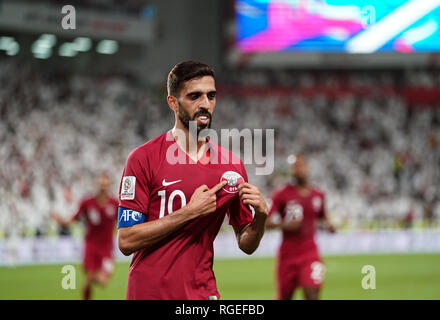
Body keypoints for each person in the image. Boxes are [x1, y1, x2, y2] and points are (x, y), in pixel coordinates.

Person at [117, 60, 268, 300]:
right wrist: (189, 212)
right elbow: (126, 240)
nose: (205, 104)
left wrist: (260, 217)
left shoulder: (231, 167)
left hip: (202, 294)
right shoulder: (143, 159)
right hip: (149, 293)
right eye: (195, 96)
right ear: (173, 102)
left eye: (211, 96)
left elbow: (246, 243)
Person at [266, 154, 335, 300]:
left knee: (312, 295)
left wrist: (329, 225)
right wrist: (285, 224)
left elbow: (323, 217)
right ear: (291, 171)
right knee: (284, 297)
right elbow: (264, 221)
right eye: (295, 167)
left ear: (307, 167)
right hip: (288, 255)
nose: (299, 169)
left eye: (301, 165)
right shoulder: (281, 194)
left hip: (310, 253)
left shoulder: (318, 195)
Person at [51, 172, 118, 300]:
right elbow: (73, 219)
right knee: (90, 276)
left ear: (109, 185)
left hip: (107, 248)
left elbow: (120, 222)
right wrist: (60, 221)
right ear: (97, 184)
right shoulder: (87, 203)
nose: (103, 186)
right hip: (91, 246)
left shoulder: (114, 204)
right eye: (101, 183)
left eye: (105, 184)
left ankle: (89, 280)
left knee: (102, 281)